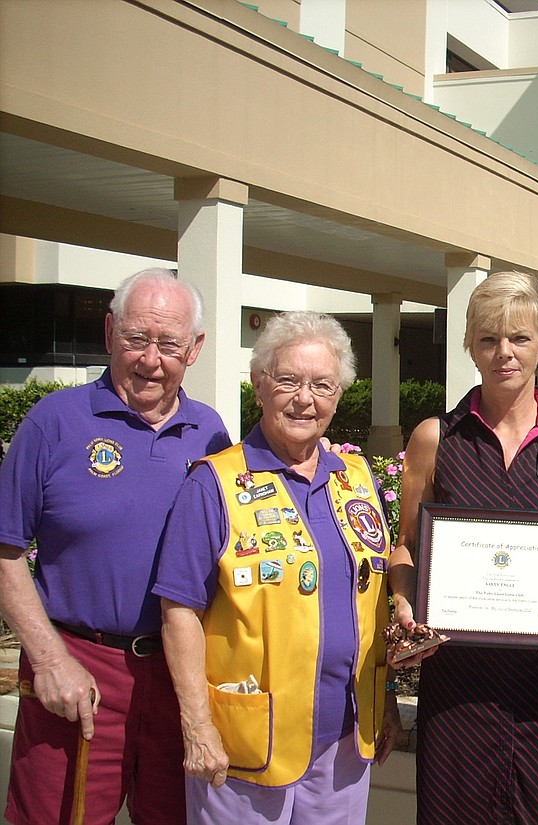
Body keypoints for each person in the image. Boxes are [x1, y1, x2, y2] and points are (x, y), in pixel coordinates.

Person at [0, 268, 230, 825]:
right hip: (77, 674)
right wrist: (51, 659)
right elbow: (4, 551)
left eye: (169, 344)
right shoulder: (54, 423)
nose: (151, 359)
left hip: (180, 680)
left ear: (194, 349)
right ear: (109, 334)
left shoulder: (212, 434)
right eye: (136, 339)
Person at [153, 310, 402, 824]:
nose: (305, 399)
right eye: (288, 380)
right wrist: (197, 725)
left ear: (340, 394)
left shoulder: (354, 478)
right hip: (247, 741)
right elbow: (179, 610)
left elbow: (369, 601)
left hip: (344, 739)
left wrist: (388, 699)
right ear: (259, 385)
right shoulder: (215, 483)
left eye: (322, 385)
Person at [387, 270, 538, 825]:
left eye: (520, 338)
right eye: (488, 339)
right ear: (470, 346)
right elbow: (407, 547)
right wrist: (404, 602)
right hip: (458, 680)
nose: (503, 352)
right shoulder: (436, 438)